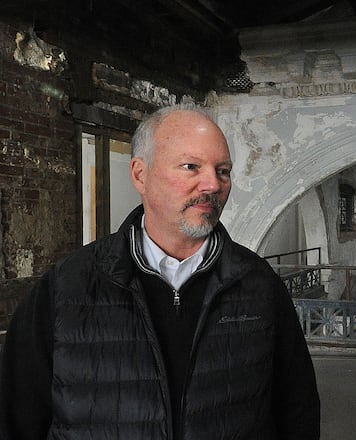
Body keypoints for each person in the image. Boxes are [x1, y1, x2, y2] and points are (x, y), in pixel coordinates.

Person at [0, 104, 321, 439]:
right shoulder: (65, 287)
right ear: (140, 174)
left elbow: (297, 410)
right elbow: (16, 418)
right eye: (191, 166)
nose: (212, 184)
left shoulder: (259, 285)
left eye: (222, 171)